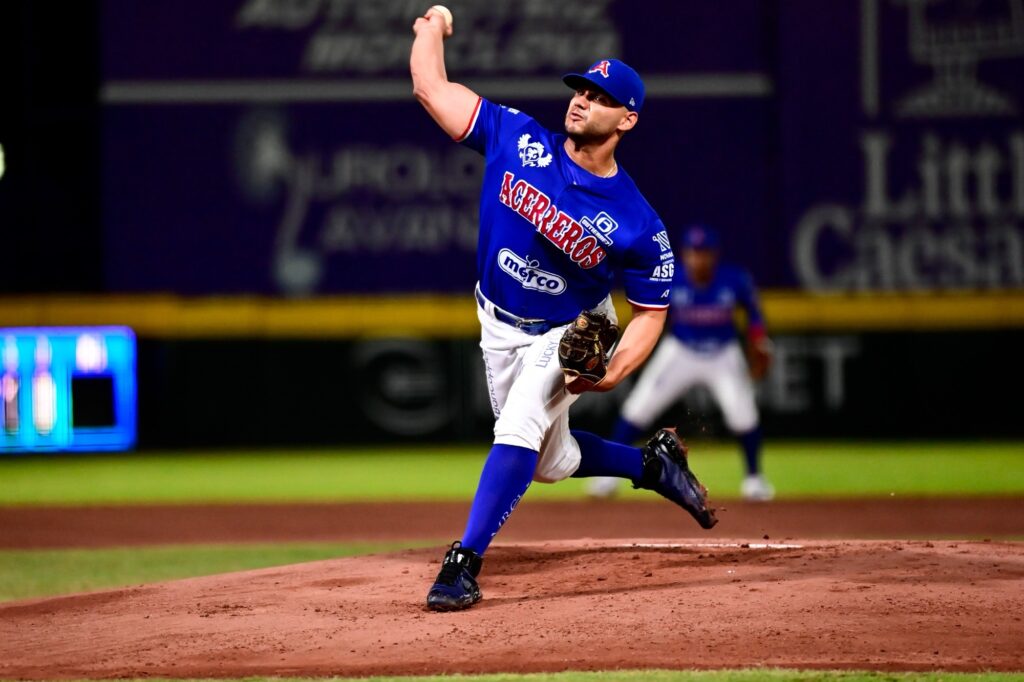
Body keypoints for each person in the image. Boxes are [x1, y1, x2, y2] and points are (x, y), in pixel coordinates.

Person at [410, 8, 717, 612]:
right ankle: (652, 465)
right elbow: (431, 88)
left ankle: (463, 563)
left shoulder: (637, 221)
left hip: (573, 328)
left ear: (627, 119)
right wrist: (430, 25)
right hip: (497, 323)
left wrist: (614, 370)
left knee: (519, 427)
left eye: (601, 97)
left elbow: (650, 312)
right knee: (549, 462)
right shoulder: (516, 137)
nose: (582, 101)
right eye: (581, 89)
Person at [586, 225, 775, 502]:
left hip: (723, 352)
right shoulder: (673, 279)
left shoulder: (733, 279)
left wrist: (759, 340)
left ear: (714, 255)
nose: (699, 258)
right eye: (694, 252)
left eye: (704, 252)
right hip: (680, 350)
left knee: (743, 414)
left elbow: (753, 313)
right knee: (638, 408)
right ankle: (608, 477)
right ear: (685, 254)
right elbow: (648, 316)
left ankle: (754, 478)